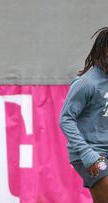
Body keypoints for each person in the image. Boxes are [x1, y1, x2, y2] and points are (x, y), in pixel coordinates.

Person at [60, 27, 108, 202]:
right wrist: (88, 154)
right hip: (92, 153)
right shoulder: (87, 83)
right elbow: (65, 119)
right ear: (104, 51)